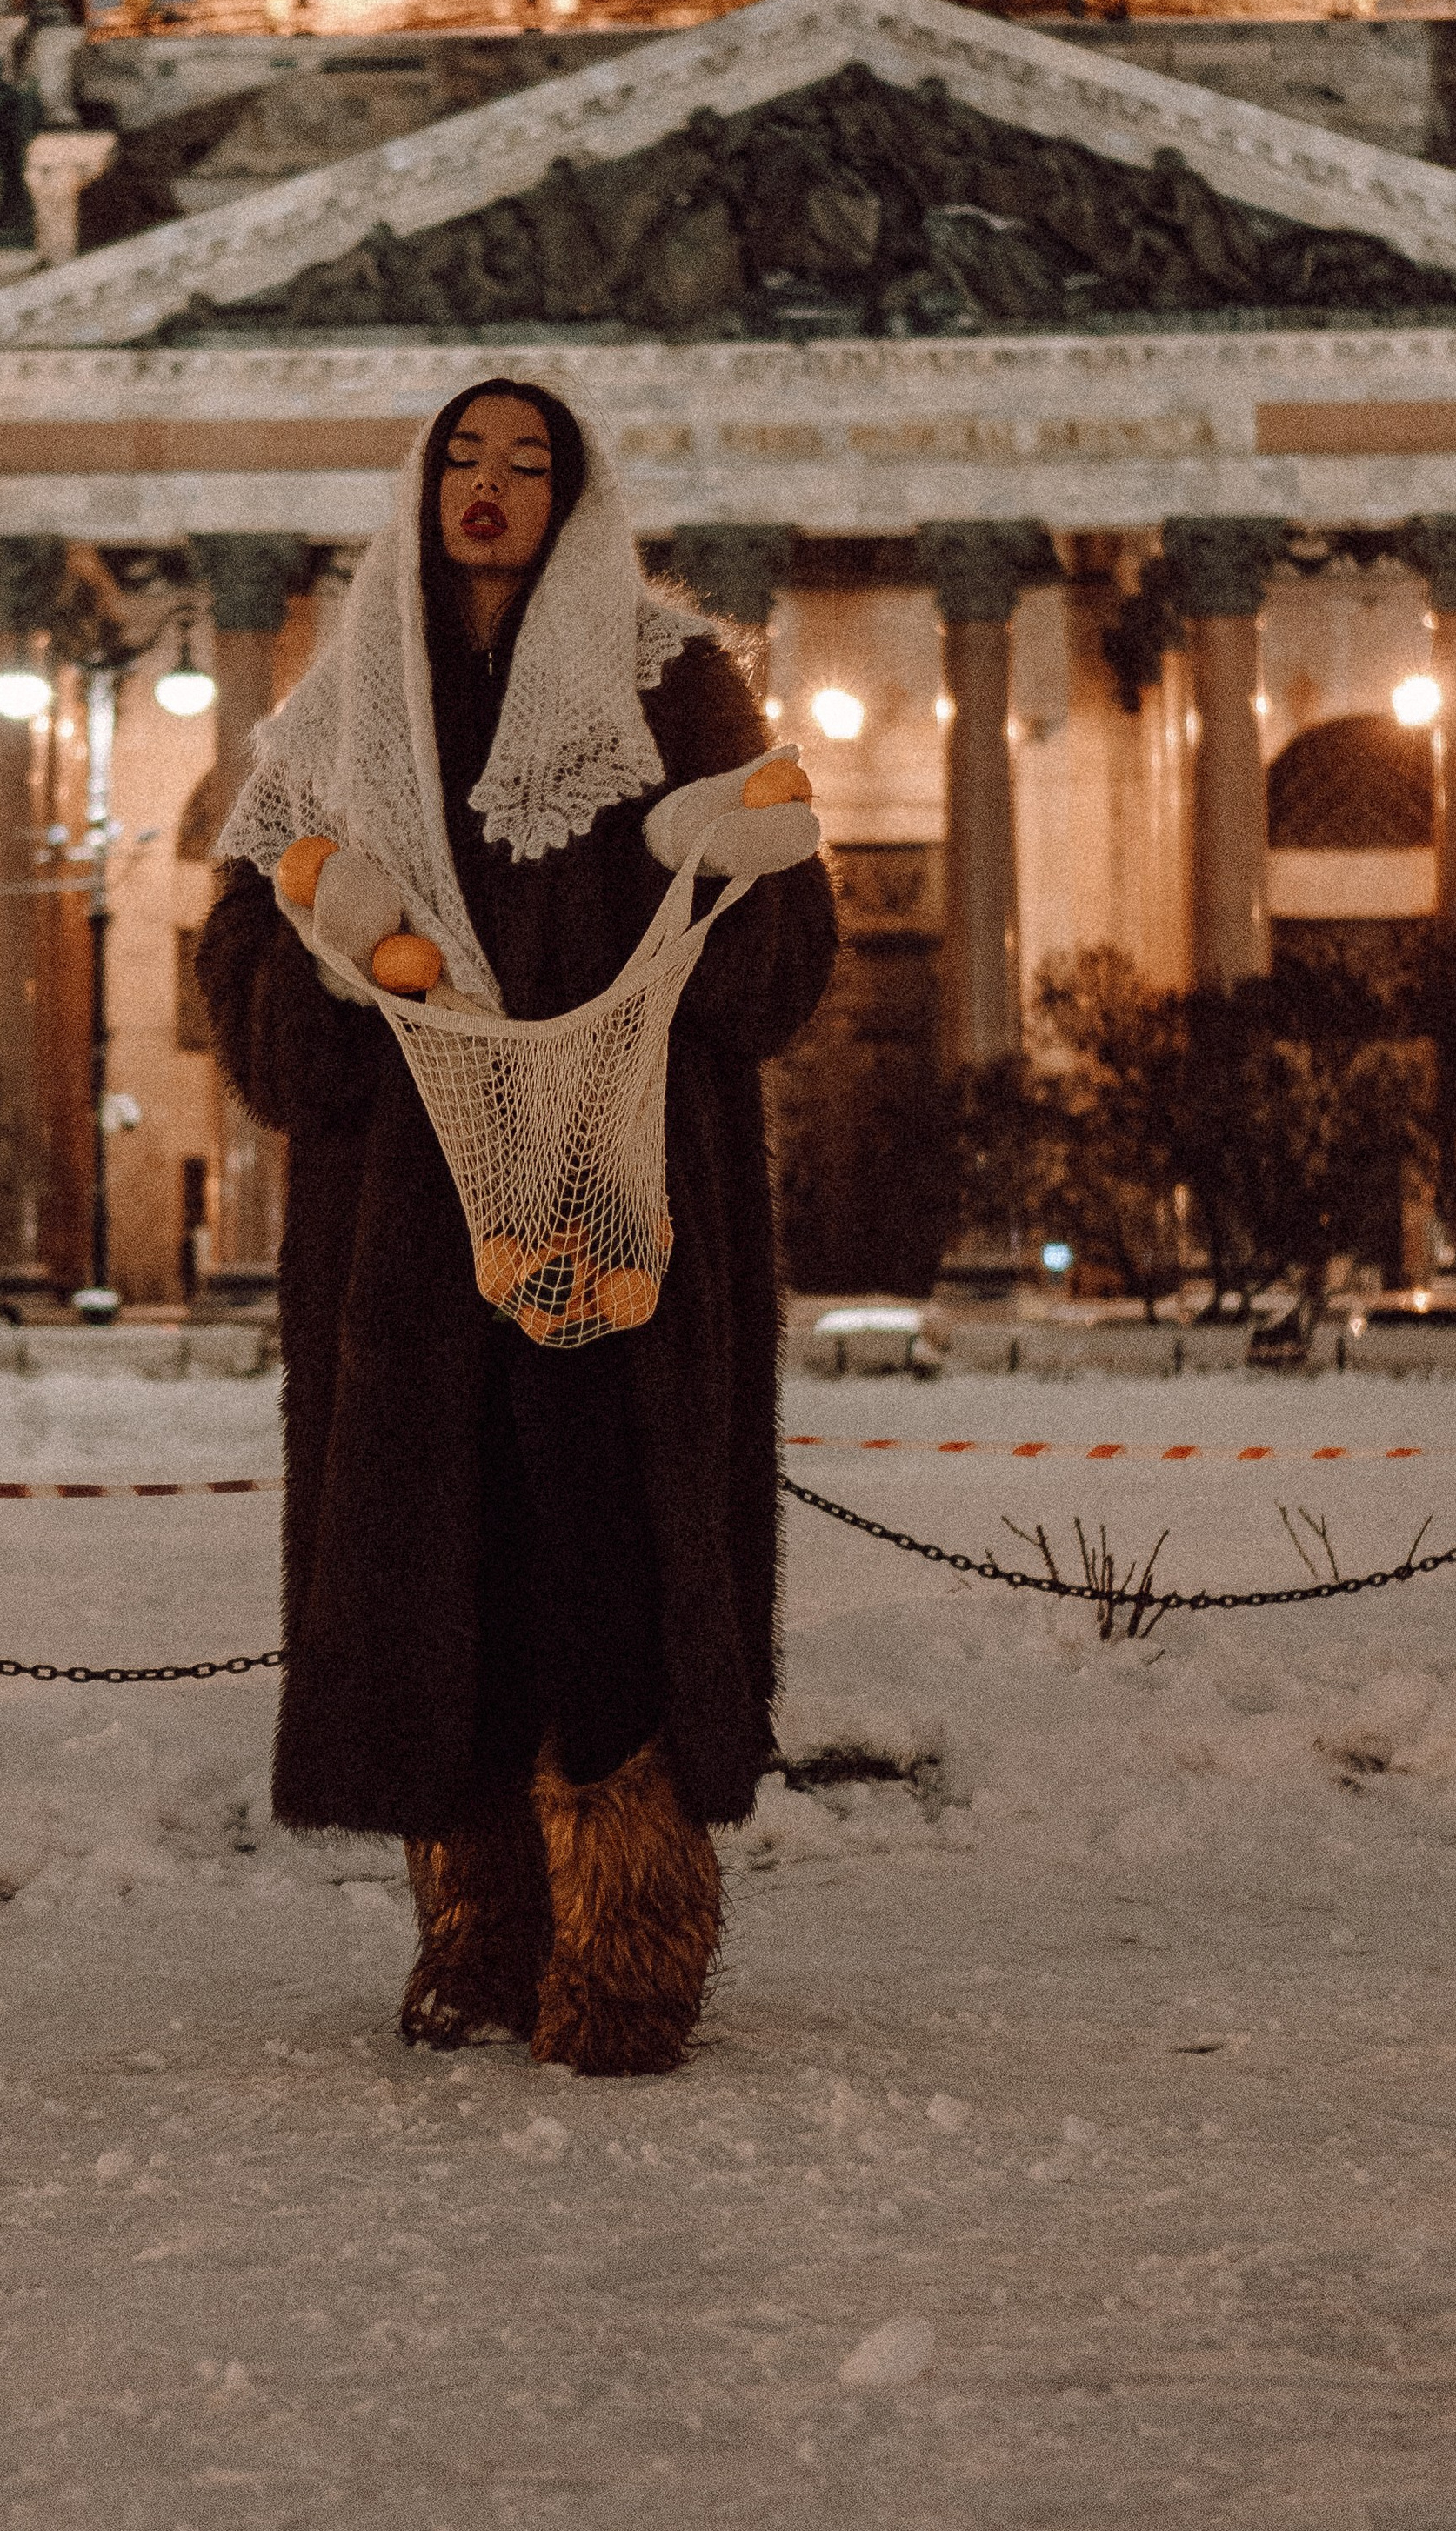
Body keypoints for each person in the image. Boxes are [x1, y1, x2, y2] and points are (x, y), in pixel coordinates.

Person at [196, 378, 836, 2074]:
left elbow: (779, 927)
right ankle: (475, 1927)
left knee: (605, 1546)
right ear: (421, 488)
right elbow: (249, 960)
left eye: (527, 463)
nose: (490, 488)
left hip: (617, 1192)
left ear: (573, 496)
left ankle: (632, 1936)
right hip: (403, 1231)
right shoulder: (335, 709)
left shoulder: (667, 680)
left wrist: (706, 903)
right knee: (430, 1555)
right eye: (462, 460)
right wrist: (345, 989)